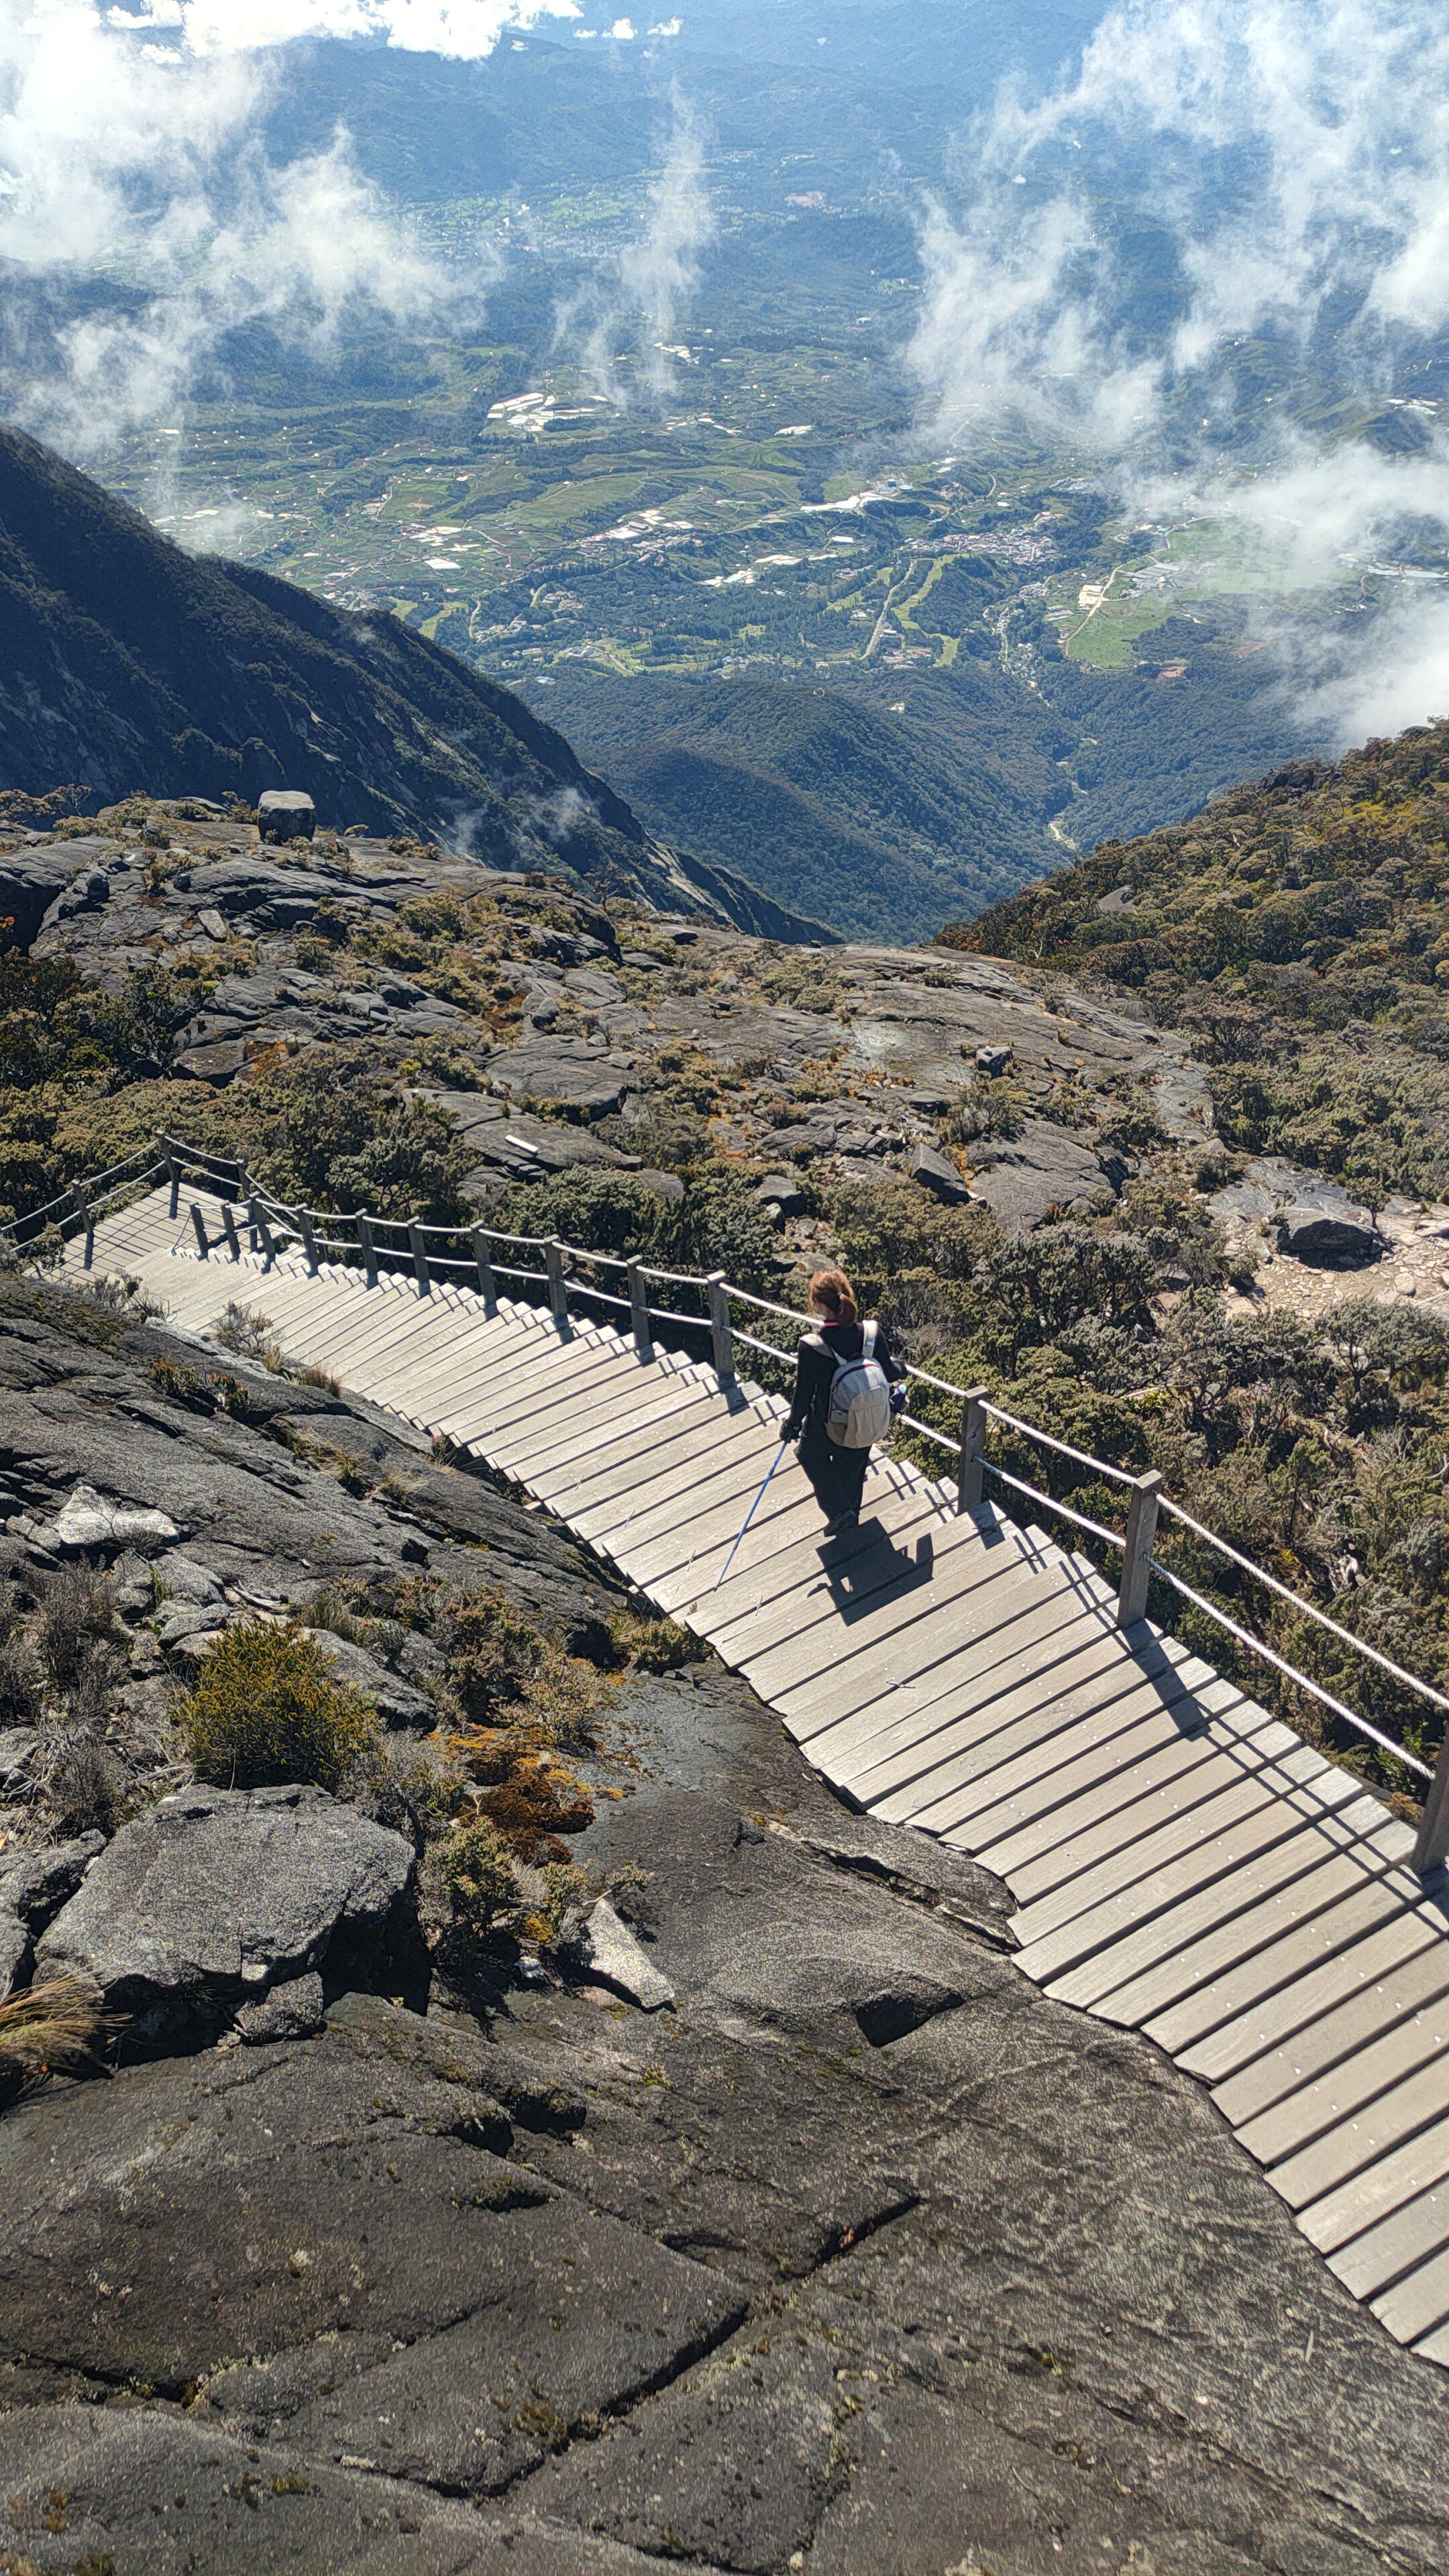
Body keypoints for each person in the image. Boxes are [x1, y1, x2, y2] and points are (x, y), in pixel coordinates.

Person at [784, 1267, 906, 1535]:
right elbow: (889, 1372)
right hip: (864, 1419)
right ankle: (851, 1516)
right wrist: (901, 1368)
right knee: (852, 1466)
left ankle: (840, 1512)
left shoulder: (813, 1345)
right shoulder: (871, 1333)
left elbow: (803, 1396)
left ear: (816, 1303)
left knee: (809, 1455)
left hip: (825, 1424)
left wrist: (791, 1425)